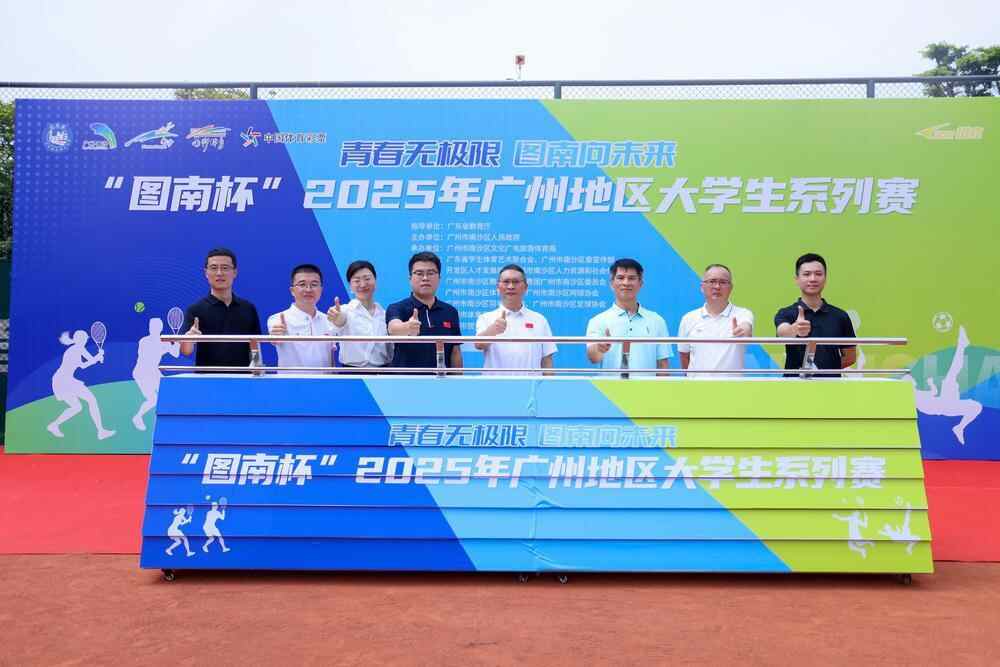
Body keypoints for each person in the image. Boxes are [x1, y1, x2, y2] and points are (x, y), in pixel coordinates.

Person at [774, 253, 856, 377]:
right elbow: (782, 333)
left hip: (831, 385)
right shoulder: (786, 313)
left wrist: (824, 372)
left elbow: (850, 356)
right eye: (806, 274)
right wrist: (795, 329)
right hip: (793, 385)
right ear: (797, 280)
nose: (812, 279)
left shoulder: (840, 316)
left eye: (818, 274)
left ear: (825, 279)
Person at [586, 258, 671, 376]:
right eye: (620, 278)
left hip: (647, 387)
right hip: (610, 387)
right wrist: (600, 348)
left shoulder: (656, 320)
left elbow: (663, 364)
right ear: (611, 283)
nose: (626, 283)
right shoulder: (598, 321)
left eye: (631, 278)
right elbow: (593, 358)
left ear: (640, 283)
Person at [181, 248, 262, 370]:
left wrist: (257, 368)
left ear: (235, 272)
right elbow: (186, 351)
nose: (219, 273)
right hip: (208, 378)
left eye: (225, 268)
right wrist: (189, 338)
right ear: (206, 273)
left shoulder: (248, 308)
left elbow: (254, 343)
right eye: (214, 268)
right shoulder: (195, 309)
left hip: (243, 377)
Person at [386, 251, 463, 372]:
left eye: (431, 273)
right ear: (410, 278)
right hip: (404, 379)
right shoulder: (397, 307)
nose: (425, 278)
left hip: (441, 380)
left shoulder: (450, 311)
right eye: (419, 273)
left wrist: (459, 379)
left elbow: (455, 351)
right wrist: (407, 327)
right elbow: (393, 329)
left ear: (439, 278)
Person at [475, 264, 556, 374]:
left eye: (516, 282)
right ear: (498, 287)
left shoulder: (539, 320)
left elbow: (547, 359)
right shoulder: (486, 318)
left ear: (525, 287)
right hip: (495, 383)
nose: (511, 286)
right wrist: (493, 330)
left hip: (530, 383)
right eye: (506, 282)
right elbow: (478, 345)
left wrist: (549, 383)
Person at [678, 264, 753, 378]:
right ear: (702, 287)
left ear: (731, 287)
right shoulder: (688, 318)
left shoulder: (743, 314)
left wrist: (743, 330)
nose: (717, 286)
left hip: (732, 387)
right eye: (712, 281)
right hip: (697, 386)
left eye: (723, 282)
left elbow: (746, 327)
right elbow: (684, 356)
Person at [266, 263, 337, 372]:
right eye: (302, 284)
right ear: (292, 291)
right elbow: (275, 337)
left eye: (314, 284)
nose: (308, 289)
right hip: (292, 382)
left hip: (325, 381)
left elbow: (331, 358)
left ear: (321, 290)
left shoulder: (328, 320)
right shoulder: (277, 319)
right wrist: (276, 335)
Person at [46, 329, 115, 440]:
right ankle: (101, 431)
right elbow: (83, 365)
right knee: (91, 400)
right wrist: (97, 358)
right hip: (63, 381)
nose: (86, 340)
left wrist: (98, 356)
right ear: (81, 339)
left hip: (63, 380)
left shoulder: (80, 349)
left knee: (77, 407)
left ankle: (53, 425)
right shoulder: (74, 351)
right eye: (85, 339)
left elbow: (91, 360)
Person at [327, 260, 393, 369]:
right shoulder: (344, 310)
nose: (363, 284)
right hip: (352, 373)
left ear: (375, 281)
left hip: (383, 372)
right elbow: (337, 324)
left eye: (367, 279)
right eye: (357, 281)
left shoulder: (385, 314)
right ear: (350, 286)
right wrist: (338, 320)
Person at [131, 317, 180, 431]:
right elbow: (149, 355)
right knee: (153, 400)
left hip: (153, 371)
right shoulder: (144, 341)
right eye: (152, 327)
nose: (153, 329)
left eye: (156, 327)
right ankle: (137, 417)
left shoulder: (164, 342)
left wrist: (177, 343)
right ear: (149, 328)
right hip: (142, 372)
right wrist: (169, 345)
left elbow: (176, 354)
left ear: (160, 328)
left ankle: (170, 421)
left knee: (168, 392)